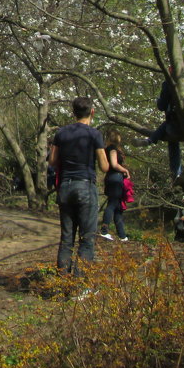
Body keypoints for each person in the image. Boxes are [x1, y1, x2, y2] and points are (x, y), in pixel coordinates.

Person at [49, 97, 109, 275]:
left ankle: (62, 281)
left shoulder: (61, 133)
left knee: (67, 238)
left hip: (66, 186)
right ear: (92, 112)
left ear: (73, 112)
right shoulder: (94, 134)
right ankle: (79, 285)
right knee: (87, 238)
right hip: (85, 185)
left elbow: (52, 161)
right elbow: (104, 166)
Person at [140, 72, 184, 178]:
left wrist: (159, 101)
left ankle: (176, 173)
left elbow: (162, 106)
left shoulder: (168, 84)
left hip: (176, 126)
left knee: (172, 140)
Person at [99, 130, 131, 242]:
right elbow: (114, 164)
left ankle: (122, 235)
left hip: (112, 178)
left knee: (118, 207)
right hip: (115, 178)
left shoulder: (106, 149)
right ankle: (104, 230)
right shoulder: (112, 148)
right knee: (112, 204)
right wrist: (125, 170)